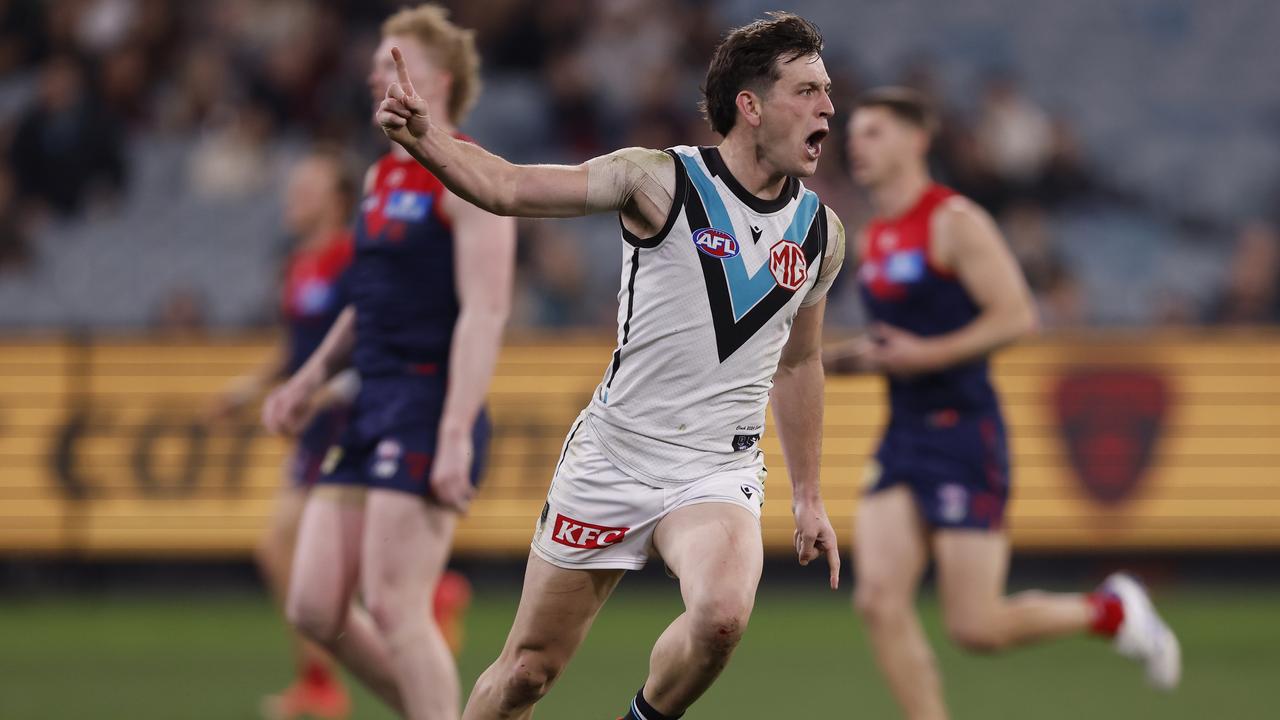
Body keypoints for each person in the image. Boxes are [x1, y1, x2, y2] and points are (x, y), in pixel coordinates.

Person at [377, 12, 843, 720]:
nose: (828, 108)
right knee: (526, 674)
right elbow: (507, 188)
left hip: (715, 469)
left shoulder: (820, 234)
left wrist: (808, 495)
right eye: (808, 90)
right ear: (750, 106)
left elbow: (800, 361)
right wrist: (426, 140)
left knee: (720, 617)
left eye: (827, 91)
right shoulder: (657, 179)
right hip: (614, 457)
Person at [827, 87, 1181, 720]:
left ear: (917, 140)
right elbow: (889, 348)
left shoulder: (954, 220)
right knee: (877, 599)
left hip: (965, 435)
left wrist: (927, 355)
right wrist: (810, 363)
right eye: (854, 134)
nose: (857, 144)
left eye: (875, 132)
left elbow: (1018, 316)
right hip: (903, 436)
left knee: (977, 627)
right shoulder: (876, 236)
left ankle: (1111, 609)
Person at [261, 6, 516, 720]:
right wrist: (307, 382)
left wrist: (458, 430)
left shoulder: (469, 173)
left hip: (428, 403)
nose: (375, 70)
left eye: (391, 59)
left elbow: (486, 311)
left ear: (434, 77)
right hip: (368, 403)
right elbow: (364, 305)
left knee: (397, 605)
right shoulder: (378, 178)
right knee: (315, 605)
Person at [211, 149, 357, 719]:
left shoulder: (352, 259)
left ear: (338, 200)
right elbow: (295, 351)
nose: (293, 197)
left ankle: (323, 681)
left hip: (348, 418)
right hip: (313, 422)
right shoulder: (299, 264)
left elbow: (363, 342)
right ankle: (319, 680)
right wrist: (245, 390)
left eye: (307, 188)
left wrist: (316, 396)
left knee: (285, 544)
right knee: (290, 547)